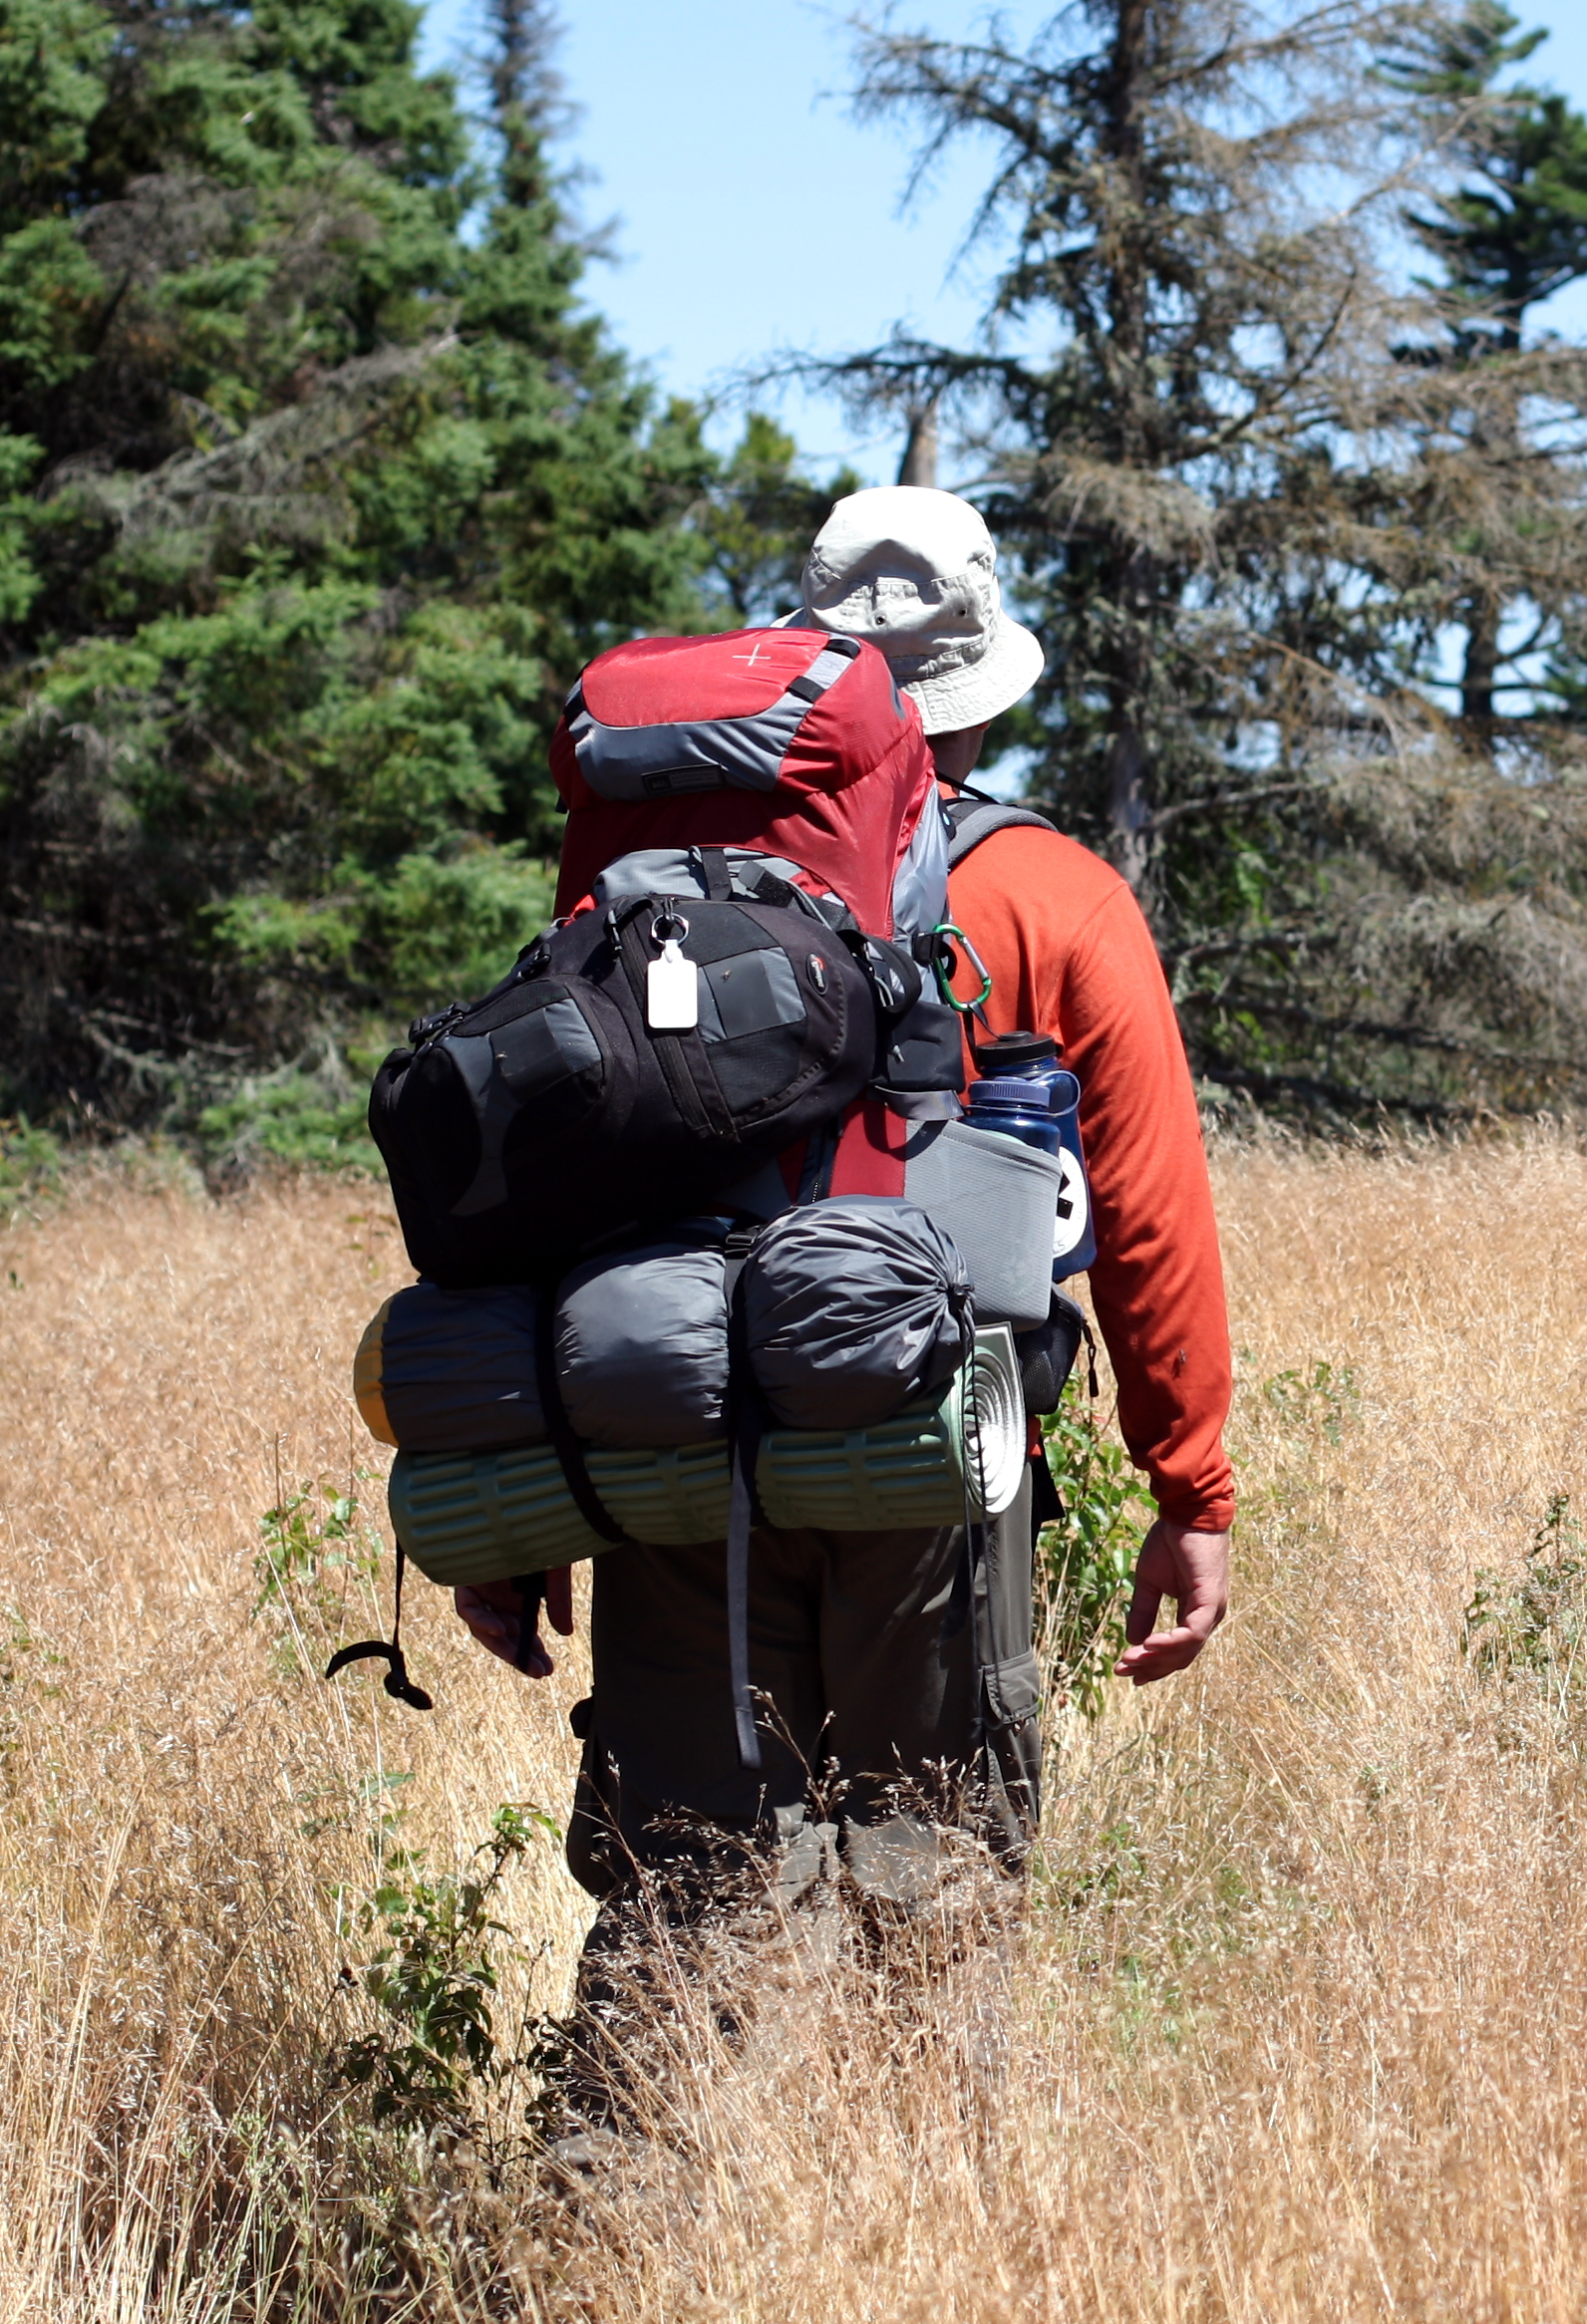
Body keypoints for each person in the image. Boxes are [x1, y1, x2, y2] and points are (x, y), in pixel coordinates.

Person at [453, 485, 1235, 2042]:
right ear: (975, 681)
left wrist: (514, 1504)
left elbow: (544, 1176)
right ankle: (914, 2255)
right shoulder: (1057, 898)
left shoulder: (644, 891)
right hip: (937, 1467)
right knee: (937, 1887)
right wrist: (1189, 1489)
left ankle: (616, 2250)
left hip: (671, 1436)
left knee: (683, 1897)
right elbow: (1145, 1216)